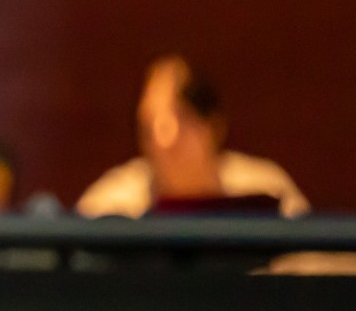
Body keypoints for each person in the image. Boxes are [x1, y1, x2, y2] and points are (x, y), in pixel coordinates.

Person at [78, 54, 308, 218]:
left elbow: (314, 264)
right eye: (149, 126)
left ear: (215, 127)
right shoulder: (114, 204)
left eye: (181, 120)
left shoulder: (266, 188)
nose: (163, 141)